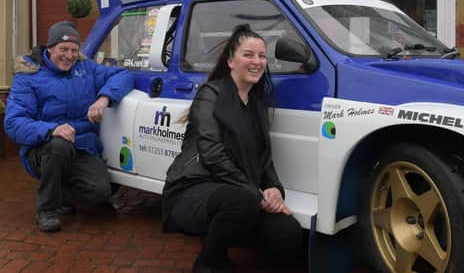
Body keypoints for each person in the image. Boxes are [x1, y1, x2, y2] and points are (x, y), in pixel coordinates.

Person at [162, 24, 302, 273]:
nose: (257, 61)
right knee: (243, 201)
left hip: (237, 194)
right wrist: (257, 196)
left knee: (287, 232)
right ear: (230, 61)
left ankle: (219, 239)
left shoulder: (257, 103)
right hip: (192, 190)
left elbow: (264, 159)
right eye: (248, 54)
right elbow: (212, 152)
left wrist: (273, 189)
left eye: (262, 56)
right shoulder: (210, 94)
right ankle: (208, 263)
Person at [4, 21, 134, 233]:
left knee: (101, 191)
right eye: (63, 49)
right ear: (50, 48)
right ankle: (47, 209)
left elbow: (123, 75)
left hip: (82, 146)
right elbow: (13, 122)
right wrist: (51, 129)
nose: (69, 55)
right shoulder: (28, 76)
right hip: (43, 147)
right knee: (59, 146)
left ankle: (61, 193)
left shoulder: (86, 68)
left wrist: (104, 98)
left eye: (74, 50)